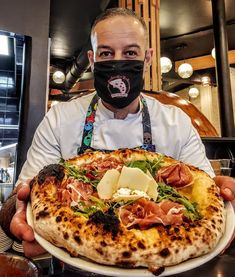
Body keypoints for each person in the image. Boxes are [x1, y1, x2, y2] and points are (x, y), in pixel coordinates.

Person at [0, 7, 234, 258]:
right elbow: (17, 202)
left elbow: (208, 194)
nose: (118, 61)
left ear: (147, 59)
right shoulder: (59, 119)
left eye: (131, 52)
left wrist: (227, 197)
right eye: (106, 53)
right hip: (76, 262)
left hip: (163, 257)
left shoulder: (176, 122)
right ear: (92, 59)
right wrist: (17, 209)